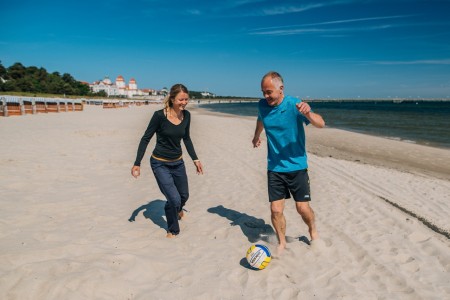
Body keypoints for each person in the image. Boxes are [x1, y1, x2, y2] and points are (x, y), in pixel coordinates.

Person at [252, 71, 325, 253]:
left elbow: (321, 123)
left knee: (302, 208)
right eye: (263, 92)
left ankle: (313, 231)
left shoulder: (294, 104)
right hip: (274, 167)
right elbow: (261, 119)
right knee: (276, 210)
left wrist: (308, 114)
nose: (266, 96)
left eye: (269, 92)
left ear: (281, 88)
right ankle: (282, 243)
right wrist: (256, 136)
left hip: (297, 166)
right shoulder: (262, 105)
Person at [131, 83, 203, 238]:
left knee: (184, 196)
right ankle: (172, 229)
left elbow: (187, 138)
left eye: (186, 99)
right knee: (174, 198)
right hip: (159, 163)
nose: (184, 103)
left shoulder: (187, 115)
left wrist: (195, 159)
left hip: (178, 162)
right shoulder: (159, 116)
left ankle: (176, 209)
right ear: (172, 99)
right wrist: (137, 163)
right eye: (181, 100)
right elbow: (145, 139)